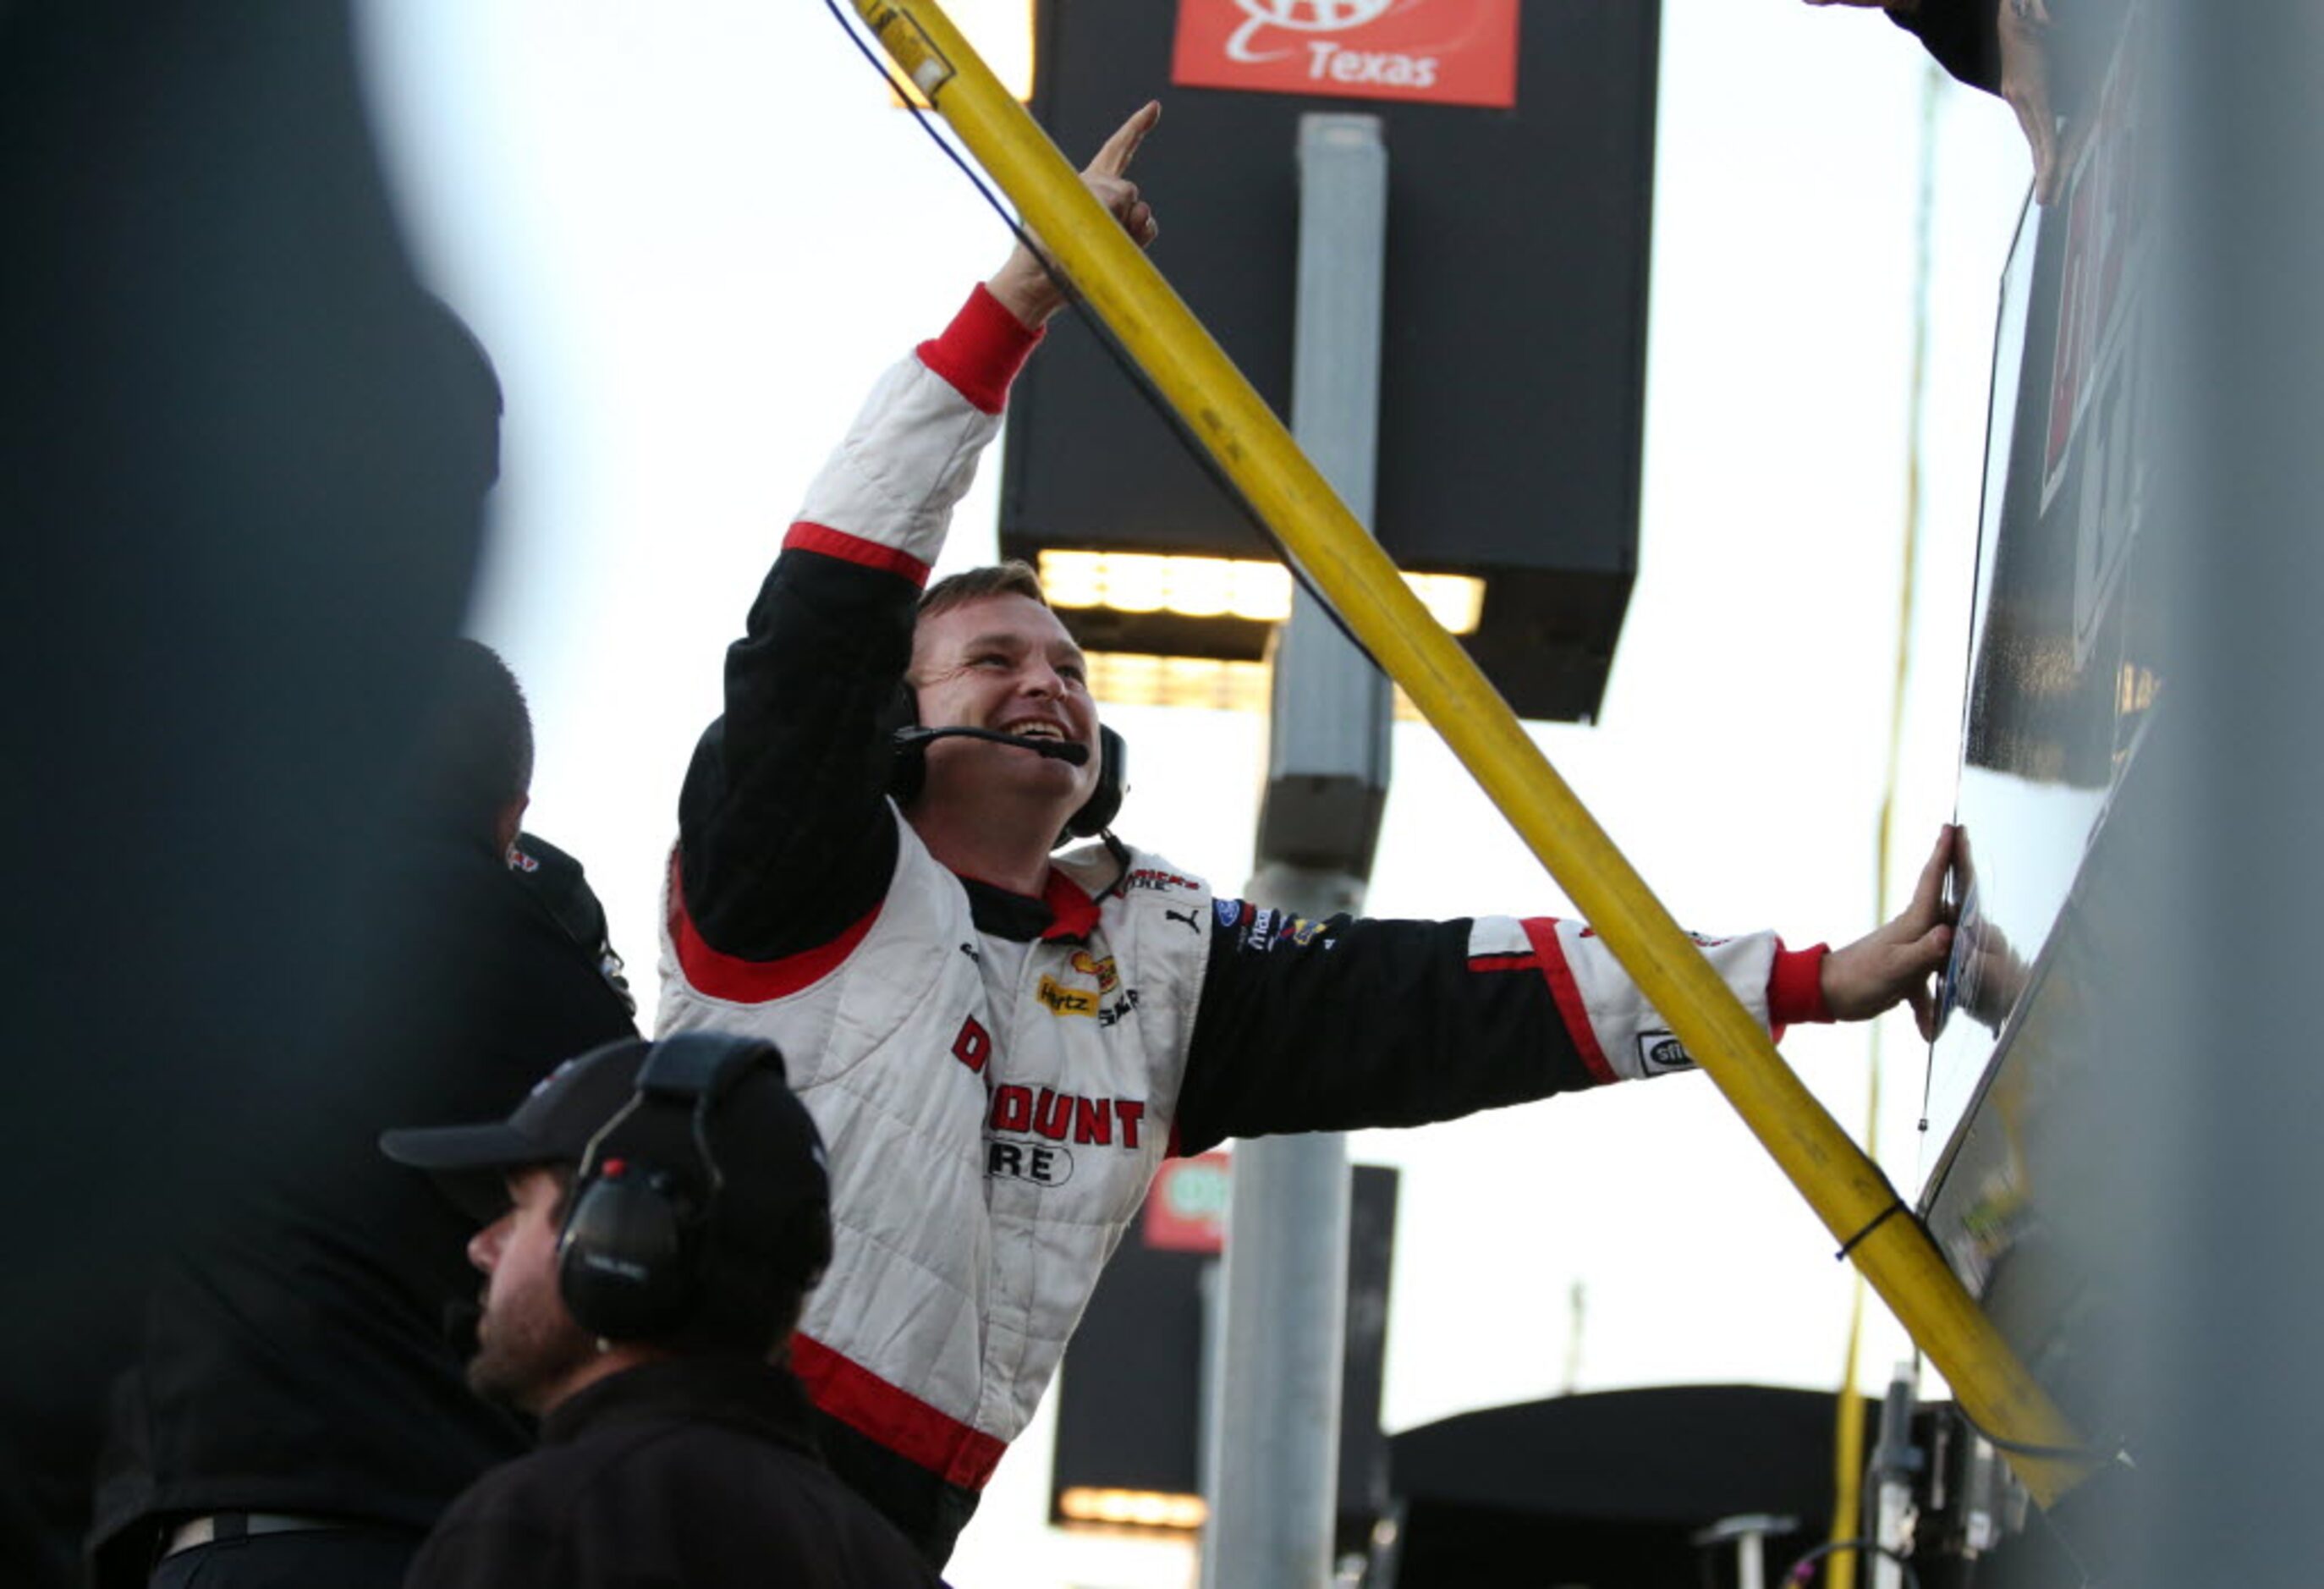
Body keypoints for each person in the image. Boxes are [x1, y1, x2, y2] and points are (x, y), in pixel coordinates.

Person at [656, 102, 1959, 1565]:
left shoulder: (1156, 961)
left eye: (1070, 666)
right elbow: (820, 612)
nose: (1046, 682)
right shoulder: (792, 875)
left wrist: (1792, 981)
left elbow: (1450, 1003)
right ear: (896, 725)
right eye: (995, 660)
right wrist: (1017, 304)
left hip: (895, 1531)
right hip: (668, 1470)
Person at [89, 641, 639, 1587]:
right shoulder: (585, 1018)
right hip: (490, 1542)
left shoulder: (179, 949)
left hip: (244, 1538)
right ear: (510, 816)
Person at [381, 1031, 940, 1589]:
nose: (482, 1246)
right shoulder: (893, 1565)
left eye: (519, 1209)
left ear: (616, 1244)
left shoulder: (538, 1528)